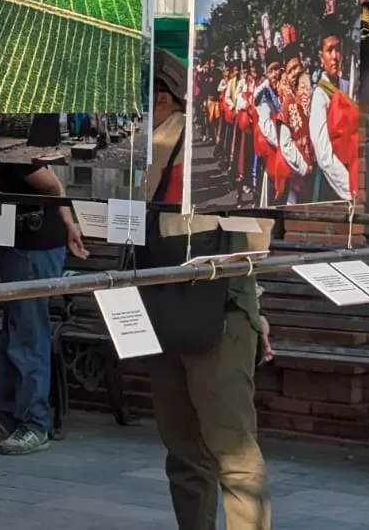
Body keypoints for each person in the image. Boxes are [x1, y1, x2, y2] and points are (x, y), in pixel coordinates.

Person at [141, 50, 272, 529]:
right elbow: (258, 241)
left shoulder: (194, 143)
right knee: (207, 453)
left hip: (210, 310)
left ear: (162, 96)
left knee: (212, 454)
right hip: (193, 307)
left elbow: (255, 237)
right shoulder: (161, 146)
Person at [0, 115, 88, 456]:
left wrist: (68, 222)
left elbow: (51, 185)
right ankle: (6, 416)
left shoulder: (8, 140)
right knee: (12, 331)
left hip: (34, 242)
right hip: (11, 238)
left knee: (28, 333)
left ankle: (34, 422)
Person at [308, 29, 357, 201]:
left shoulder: (348, 87)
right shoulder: (320, 96)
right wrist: (350, 189)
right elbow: (323, 153)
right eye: (329, 51)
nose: (335, 56)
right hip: (333, 183)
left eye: (338, 50)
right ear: (321, 57)